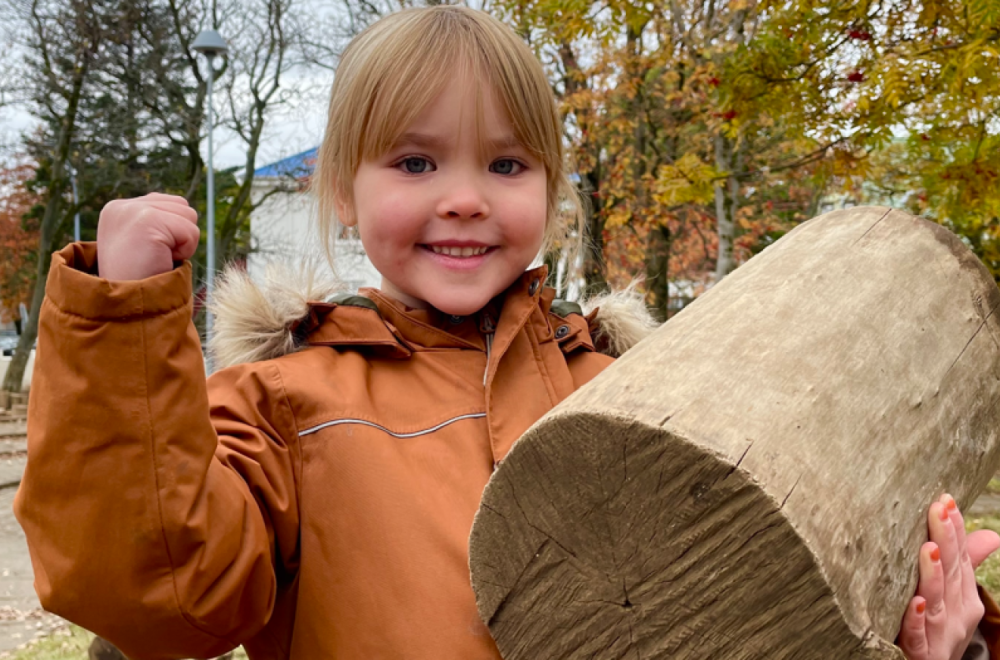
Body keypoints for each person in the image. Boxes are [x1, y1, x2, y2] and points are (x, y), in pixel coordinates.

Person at [11, 6, 1000, 660]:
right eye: (412, 162)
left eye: (506, 165)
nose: (463, 199)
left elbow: (764, 608)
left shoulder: (642, 389)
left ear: (550, 195)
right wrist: (120, 325)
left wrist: (937, 640)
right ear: (343, 196)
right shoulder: (281, 407)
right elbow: (157, 592)